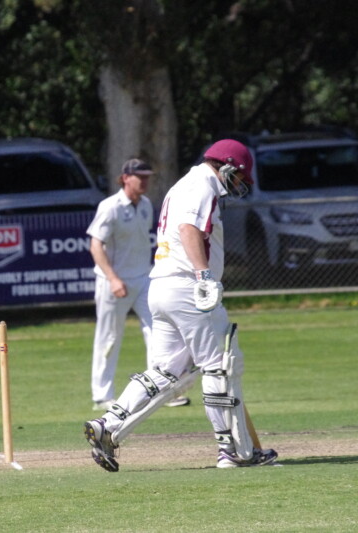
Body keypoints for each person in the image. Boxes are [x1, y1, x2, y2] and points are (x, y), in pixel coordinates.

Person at [83, 139, 278, 470]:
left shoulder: (184, 184)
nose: (239, 185)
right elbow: (189, 229)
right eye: (240, 177)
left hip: (161, 286)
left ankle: (108, 426)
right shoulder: (203, 184)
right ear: (228, 167)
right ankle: (233, 451)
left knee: (166, 371)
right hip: (187, 287)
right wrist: (204, 276)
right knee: (221, 365)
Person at [87, 158, 191, 412]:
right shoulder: (110, 206)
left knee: (160, 331)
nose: (145, 181)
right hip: (113, 282)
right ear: (125, 178)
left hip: (143, 279)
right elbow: (95, 245)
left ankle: (162, 389)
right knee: (109, 337)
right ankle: (102, 395)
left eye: (147, 176)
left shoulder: (145, 205)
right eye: (140, 176)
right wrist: (113, 278)